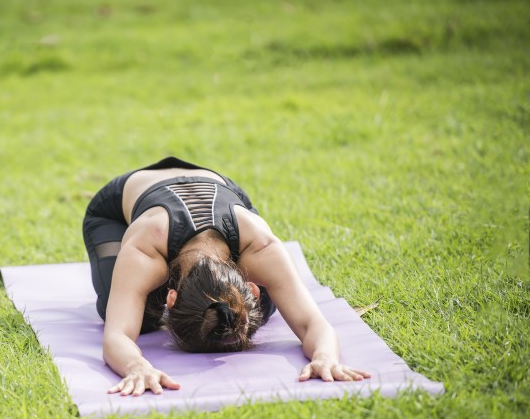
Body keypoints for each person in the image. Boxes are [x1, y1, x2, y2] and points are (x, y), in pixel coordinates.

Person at [83, 157, 370, 396]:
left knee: (254, 309)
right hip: (117, 208)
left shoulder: (261, 246)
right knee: (130, 313)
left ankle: (221, 310)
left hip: (222, 189)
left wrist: (325, 357)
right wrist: (136, 366)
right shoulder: (146, 249)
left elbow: (312, 324)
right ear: (170, 298)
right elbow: (117, 336)